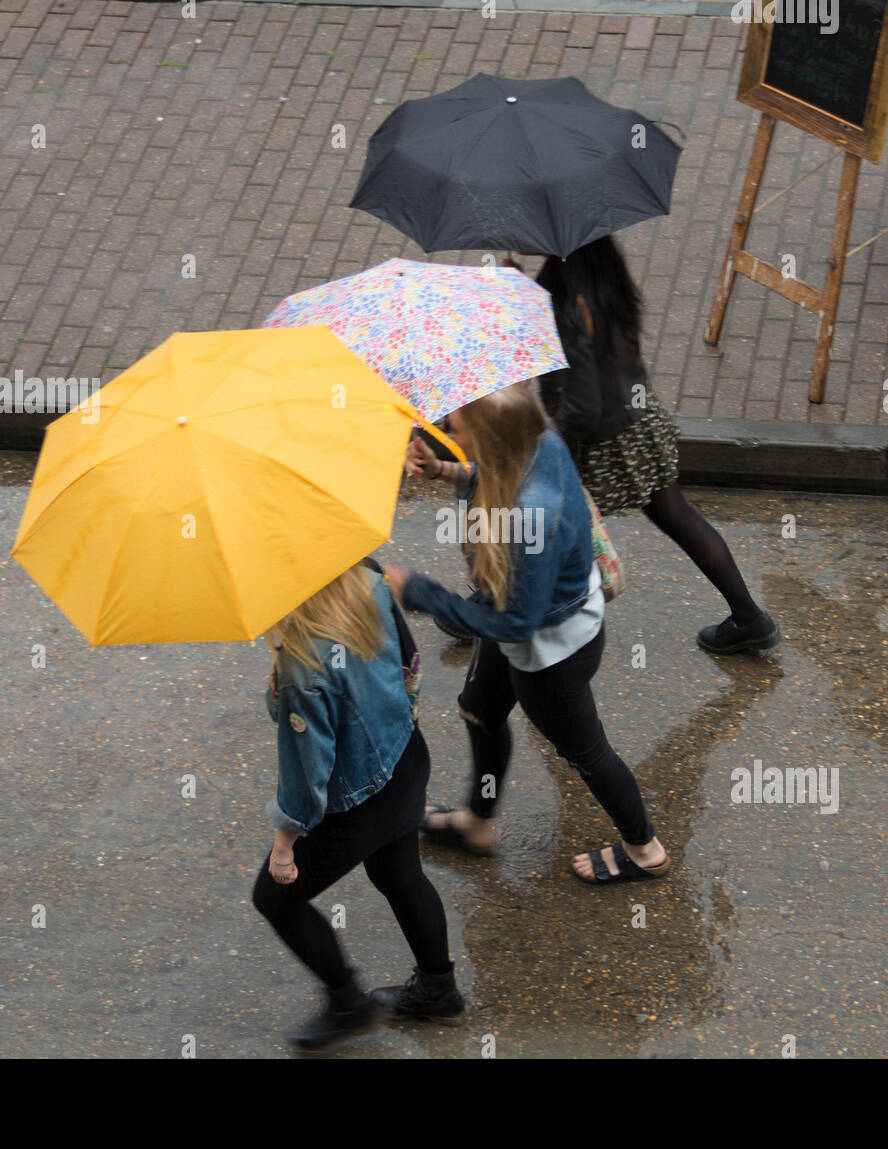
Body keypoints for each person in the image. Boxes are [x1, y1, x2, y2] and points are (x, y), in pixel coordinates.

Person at [386, 382, 670, 885]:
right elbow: (493, 475)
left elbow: (519, 622)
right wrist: (445, 470)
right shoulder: (538, 443)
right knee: (479, 710)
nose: (444, 426)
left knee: (587, 752)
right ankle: (478, 821)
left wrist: (421, 594)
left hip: (550, 654)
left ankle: (644, 848)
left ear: (489, 433)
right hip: (517, 616)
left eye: (453, 422)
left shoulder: (529, 518)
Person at [520, 236, 780, 655]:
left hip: (598, 442)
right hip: (637, 420)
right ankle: (749, 617)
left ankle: (495, 610)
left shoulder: (570, 293)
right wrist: (524, 297)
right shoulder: (593, 266)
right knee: (676, 516)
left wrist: (556, 451)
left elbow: (583, 402)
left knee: (539, 519)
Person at [251, 559, 464, 1053]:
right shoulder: (368, 581)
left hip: (356, 804)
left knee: (274, 898)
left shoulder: (302, 665)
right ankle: (438, 987)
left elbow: (306, 776)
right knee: (399, 874)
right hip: (405, 761)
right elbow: (408, 665)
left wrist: (285, 844)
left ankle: (348, 1001)